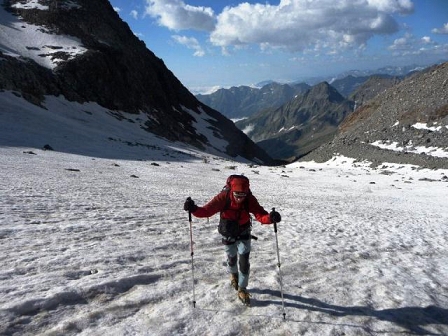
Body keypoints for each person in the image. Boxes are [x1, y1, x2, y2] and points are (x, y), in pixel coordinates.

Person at [183, 175, 281, 306]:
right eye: (237, 195)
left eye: (243, 195)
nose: (240, 198)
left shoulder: (249, 199)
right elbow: (207, 211)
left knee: (244, 262)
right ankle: (233, 275)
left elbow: (260, 214)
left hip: (244, 233)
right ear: (231, 191)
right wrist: (193, 209)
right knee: (231, 258)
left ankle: (242, 288)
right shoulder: (223, 197)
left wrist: (270, 218)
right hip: (228, 233)